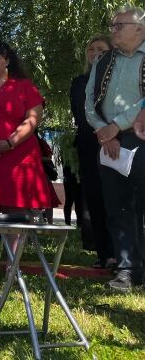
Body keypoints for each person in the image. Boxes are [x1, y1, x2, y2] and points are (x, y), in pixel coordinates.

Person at [0, 41, 59, 274]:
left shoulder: (25, 87)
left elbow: (33, 118)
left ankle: (12, 263)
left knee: (16, 208)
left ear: (8, 61)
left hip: (18, 156)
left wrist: (10, 143)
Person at [84, 6, 145, 292]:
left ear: (139, 28)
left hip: (140, 137)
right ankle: (126, 270)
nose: (113, 30)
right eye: (112, 25)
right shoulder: (103, 61)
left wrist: (117, 125)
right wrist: (104, 132)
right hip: (109, 142)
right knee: (117, 206)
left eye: (119, 25)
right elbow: (89, 102)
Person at [70, 36, 115, 269]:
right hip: (89, 146)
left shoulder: (117, 80)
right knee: (94, 198)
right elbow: (79, 115)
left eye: (101, 49)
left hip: (115, 143)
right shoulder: (80, 82)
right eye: (91, 49)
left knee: (115, 198)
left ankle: (121, 252)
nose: (95, 53)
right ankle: (103, 252)